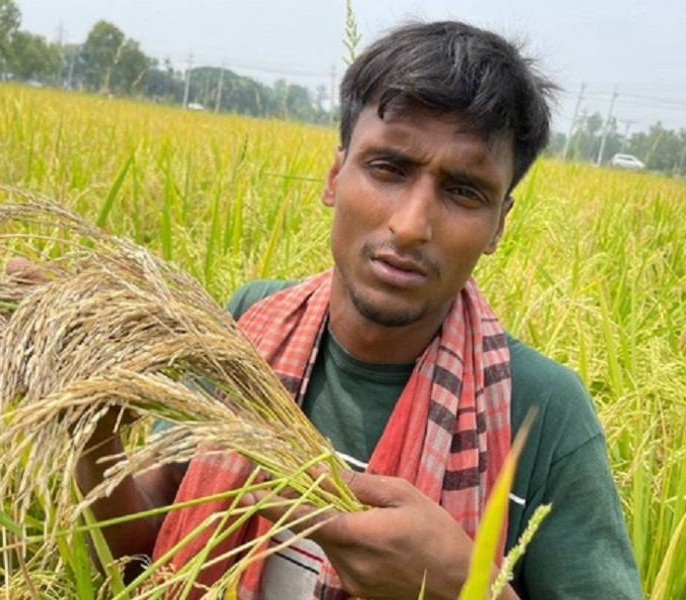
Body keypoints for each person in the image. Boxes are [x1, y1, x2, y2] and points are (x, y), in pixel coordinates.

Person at [74, 20, 642, 600]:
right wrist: (92, 435)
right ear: (334, 177)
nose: (410, 224)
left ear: (499, 223)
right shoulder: (248, 324)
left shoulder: (541, 414)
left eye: (464, 191)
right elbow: (141, 555)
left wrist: (468, 589)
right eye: (388, 169)